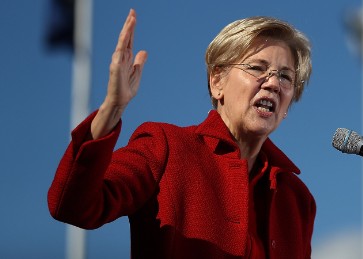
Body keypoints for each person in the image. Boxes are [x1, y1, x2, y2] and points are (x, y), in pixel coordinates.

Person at [48, 9, 316, 259]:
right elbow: (73, 206)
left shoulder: (297, 199)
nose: (272, 83)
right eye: (257, 68)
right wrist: (112, 108)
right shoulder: (164, 147)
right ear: (217, 81)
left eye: (285, 77)